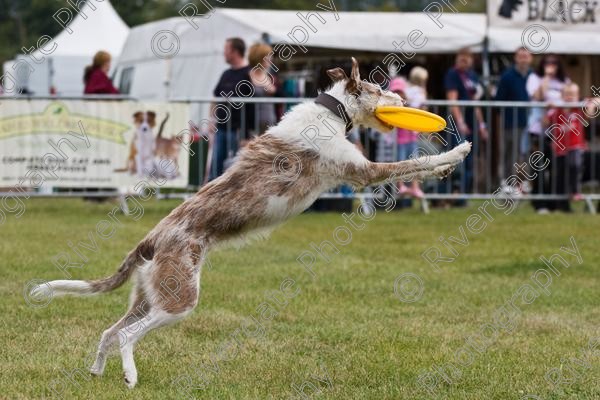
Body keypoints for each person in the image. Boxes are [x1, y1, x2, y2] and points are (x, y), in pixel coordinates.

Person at [526, 54, 569, 213]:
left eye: (554, 63)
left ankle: (553, 203)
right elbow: (539, 96)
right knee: (537, 166)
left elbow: (569, 98)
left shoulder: (564, 80)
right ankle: (539, 203)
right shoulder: (535, 78)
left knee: (554, 167)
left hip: (557, 131)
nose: (551, 66)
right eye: (547, 63)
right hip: (538, 129)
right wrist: (547, 77)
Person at [444, 48, 489, 201]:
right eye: (462, 57)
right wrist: (460, 121)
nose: (465, 60)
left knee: (469, 160)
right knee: (456, 160)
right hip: (458, 124)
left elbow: (475, 103)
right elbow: (453, 101)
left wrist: (482, 125)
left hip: (472, 124)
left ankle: (463, 196)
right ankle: (450, 195)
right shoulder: (453, 74)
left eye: (468, 58)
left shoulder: (473, 76)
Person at [209, 38, 255, 180]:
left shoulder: (249, 74)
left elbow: (252, 106)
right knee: (215, 167)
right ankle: (210, 198)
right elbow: (215, 98)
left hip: (239, 131)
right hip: (221, 129)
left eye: (226, 50)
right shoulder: (226, 74)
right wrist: (211, 119)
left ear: (235, 52)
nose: (224, 53)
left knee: (237, 169)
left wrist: (247, 134)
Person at [544, 83, 589, 211]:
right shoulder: (557, 110)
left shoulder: (579, 110)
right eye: (567, 94)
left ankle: (575, 191)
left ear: (577, 96)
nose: (569, 97)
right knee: (560, 175)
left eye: (573, 95)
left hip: (575, 146)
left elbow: (594, 105)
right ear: (562, 96)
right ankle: (561, 204)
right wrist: (547, 109)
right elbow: (545, 122)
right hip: (560, 149)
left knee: (574, 165)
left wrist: (588, 103)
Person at [494, 47, 533, 186]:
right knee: (511, 154)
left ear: (530, 58)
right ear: (516, 58)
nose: (523, 59)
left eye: (526, 56)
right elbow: (498, 101)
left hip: (531, 124)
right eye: (520, 56)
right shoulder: (507, 76)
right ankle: (507, 183)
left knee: (528, 153)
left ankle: (526, 183)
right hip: (511, 123)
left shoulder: (533, 76)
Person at [393, 71, 426, 199]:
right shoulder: (394, 109)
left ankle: (415, 187)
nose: (399, 95)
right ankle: (400, 186)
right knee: (401, 164)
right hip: (399, 142)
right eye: (396, 92)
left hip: (412, 140)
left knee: (415, 164)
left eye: (400, 92)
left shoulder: (411, 106)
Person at [248, 43, 278, 135]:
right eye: (267, 57)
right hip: (253, 122)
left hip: (270, 120)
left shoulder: (270, 76)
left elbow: (279, 93)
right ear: (259, 58)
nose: (270, 59)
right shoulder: (247, 76)